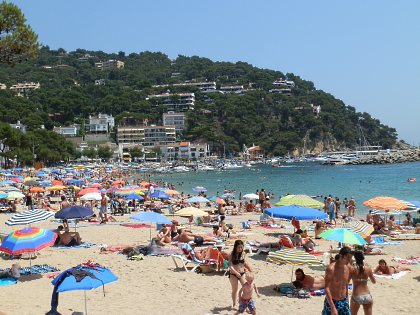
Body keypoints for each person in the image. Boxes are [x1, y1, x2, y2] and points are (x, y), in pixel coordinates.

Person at [322, 246, 353, 315]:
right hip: (332, 301)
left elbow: (346, 284)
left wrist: (347, 299)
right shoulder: (331, 269)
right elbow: (326, 288)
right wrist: (332, 307)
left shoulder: (348, 268)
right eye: (347, 258)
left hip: (344, 301)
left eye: (350, 258)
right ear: (341, 256)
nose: (349, 260)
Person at [229, 240, 253, 308]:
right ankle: (234, 303)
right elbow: (230, 266)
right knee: (235, 289)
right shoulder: (231, 254)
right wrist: (236, 273)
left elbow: (244, 263)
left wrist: (250, 269)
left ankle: (246, 305)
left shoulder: (243, 253)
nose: (240, 249)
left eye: (241, 247)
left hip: (242, 273)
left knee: (246, 289)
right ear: (235, 247)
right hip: (233, 274)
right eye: (238, 247)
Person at [350, 251, 376, 315]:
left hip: (356, 295)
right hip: (367, 295)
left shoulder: (352, 269)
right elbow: (374, 281)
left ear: (355, 258)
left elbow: (346, 282)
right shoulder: (368, 268)